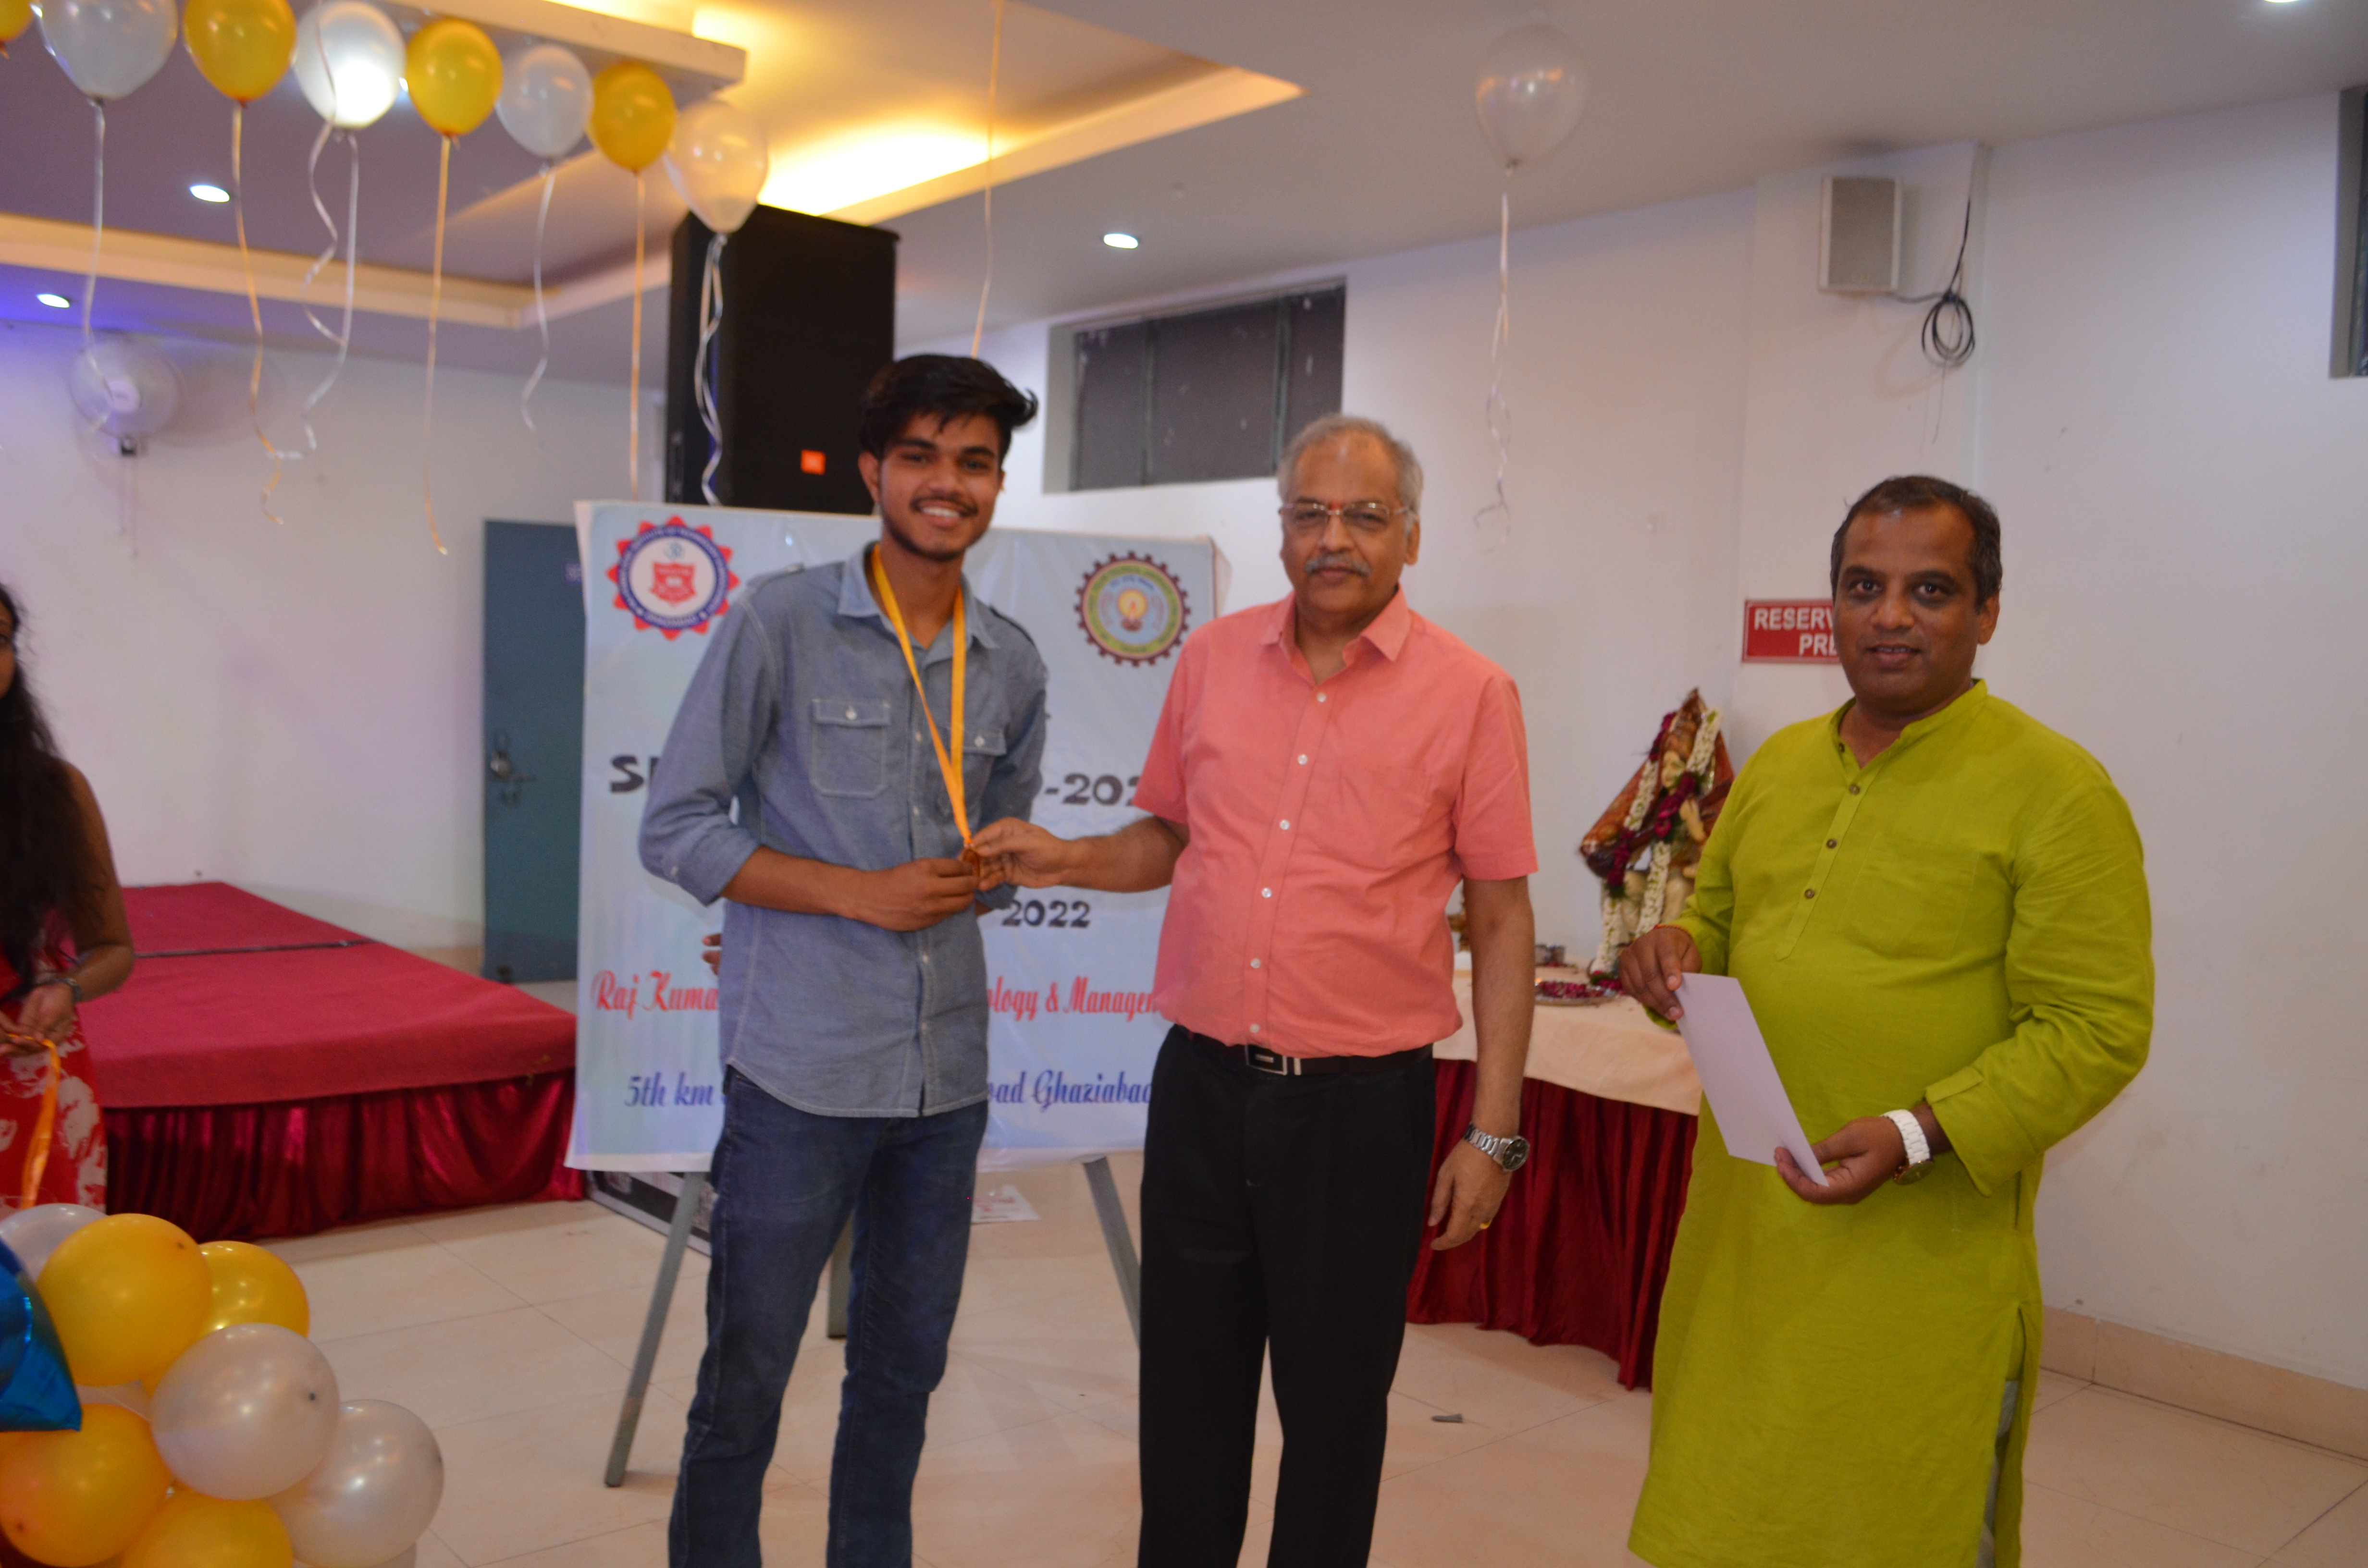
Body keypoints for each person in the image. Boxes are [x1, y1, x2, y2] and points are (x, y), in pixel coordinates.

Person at [970, 414, 1539, 1568]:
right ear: (1281, 529)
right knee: (1186, 1400)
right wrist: (1069, 857)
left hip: (1356, 1112)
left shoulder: (1472, 693)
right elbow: (1169, 837)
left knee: (1333, 1415)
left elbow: (1501, 916)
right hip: (1202, 1091)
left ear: (1411, 536)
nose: (1335, 539)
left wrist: (1494, 1134)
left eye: (1365, 516)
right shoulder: (1213, 659)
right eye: (1309, 513)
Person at [1619, 476, 2152, 1568]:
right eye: (1863, 587)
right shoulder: (1779, 766)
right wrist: (1672, 953)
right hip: (1746, 1242)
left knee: (1899, 1525)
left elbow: (2097, 1028)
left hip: (1917, 1266)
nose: (1891, 616)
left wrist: (1917, 1134)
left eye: (1931, 591)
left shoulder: (2057, 790)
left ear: (1987, 612)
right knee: (1728, 1512)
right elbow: (1715, 922)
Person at [640, 355, 1047, 1568]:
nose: (946, 483)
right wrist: (855, 893)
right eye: (919, 456)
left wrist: (1005, 867)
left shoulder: (1014, 660)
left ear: (996, 485)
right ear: (873, 471)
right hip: (799, 1074)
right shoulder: (781, 622)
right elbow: (676, 827)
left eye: (973, 462)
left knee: (903, 1375)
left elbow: (1001, 843)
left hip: (944, 1080)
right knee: (747, 1377)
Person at [0, 583, 133, 1212]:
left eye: (0, 639)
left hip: (33, 1069)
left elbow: (113, 949)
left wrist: (68, 989)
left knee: (47, 1260)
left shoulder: (55, 789)